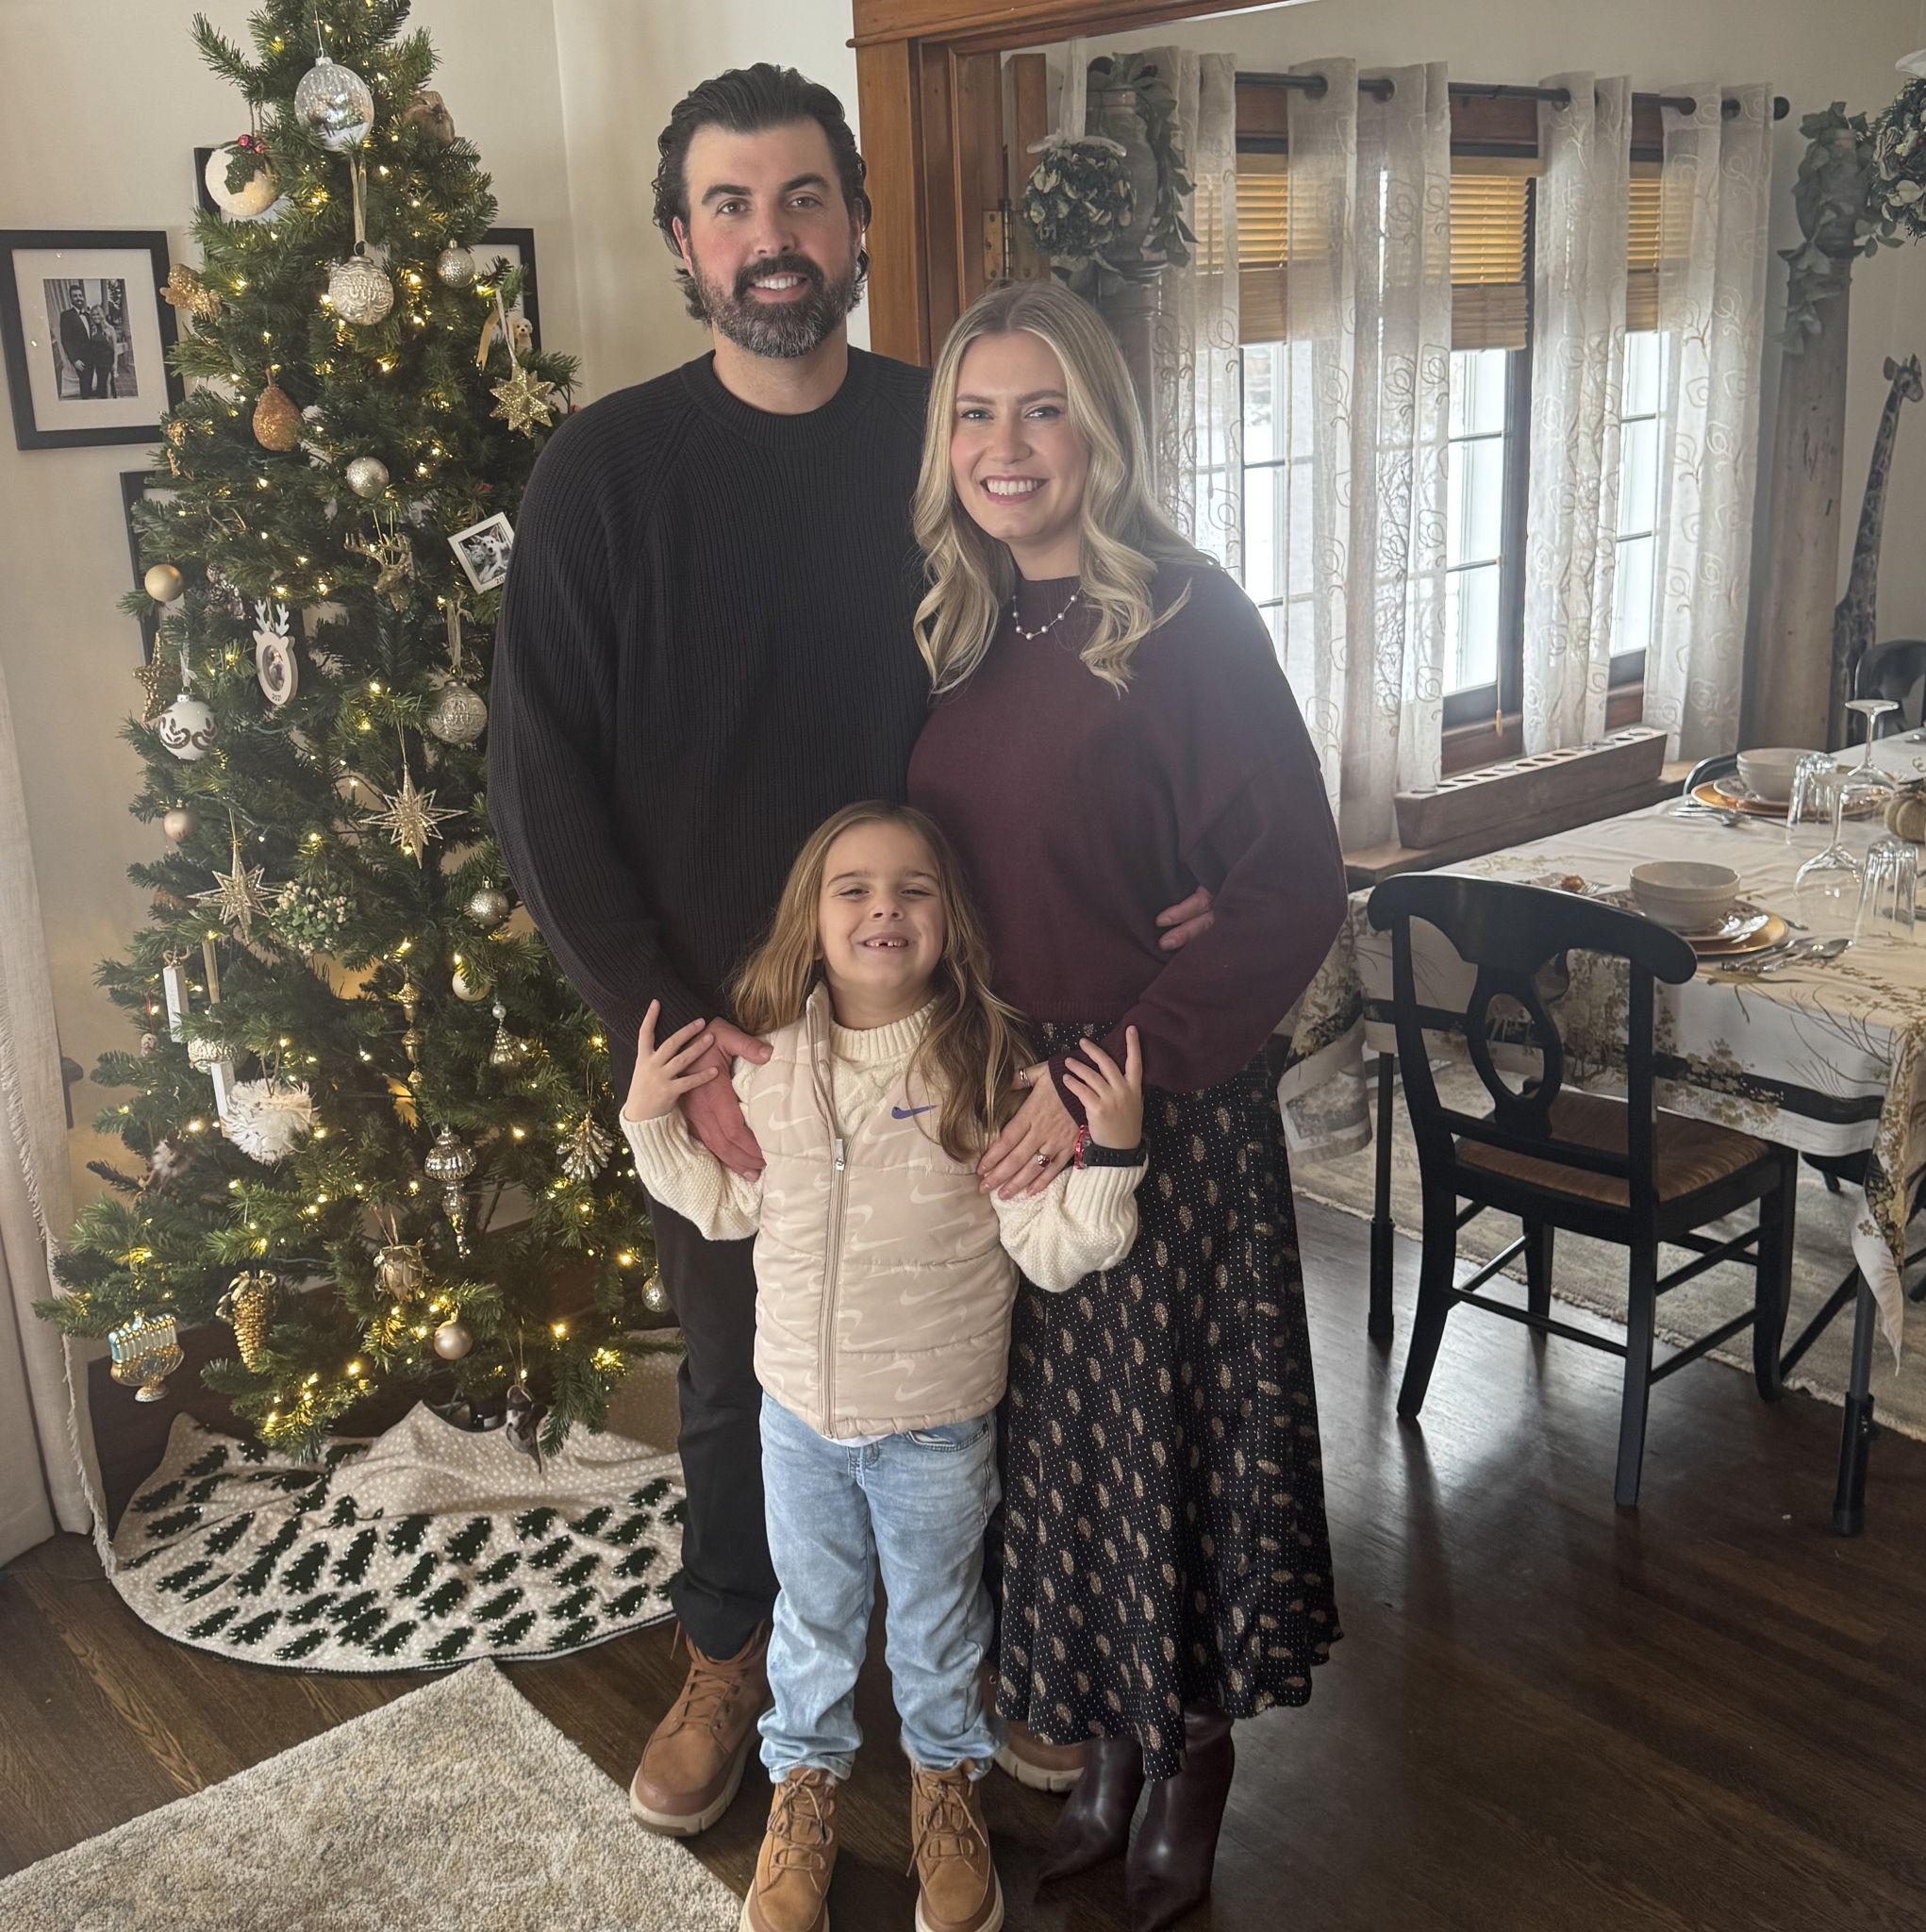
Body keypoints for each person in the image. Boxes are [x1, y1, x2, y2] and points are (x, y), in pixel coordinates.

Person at [489, 64, 1213, 1834]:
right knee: (739, 1368)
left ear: (858, 225)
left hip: (955, 1012)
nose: (772, 237)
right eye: (731, 206)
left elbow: (1091, 631)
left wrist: (1181, 848)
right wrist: (674, 1040)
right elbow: (540, 786)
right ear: (682, 243)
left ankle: (992, 1663)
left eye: (803, 198)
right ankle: (729, 1653)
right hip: (730, 1041)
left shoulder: (940, 435)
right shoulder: (600, 475)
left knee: (985, 1343)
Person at [905, 278, 1347, 1932]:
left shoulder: (1186, 616)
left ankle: (1191, 1763)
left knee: (1173, 1447)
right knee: (1056, 1456)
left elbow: (1291, 883)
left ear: (1099, 428)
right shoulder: (958, 626)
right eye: (975, 412)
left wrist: (1126, 1060)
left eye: (1042, 408)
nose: (1006, 445)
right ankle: (1101, 1742)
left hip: (1151, 1102)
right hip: (1002, 1092)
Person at [618, 801, 1148, 1932]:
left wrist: (1112, 1154)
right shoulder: (765, 1062)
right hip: (796, 1422)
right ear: (810, 921)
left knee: (937, 1626)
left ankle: (943, 1787)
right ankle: (802, 1789)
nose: (882, 908)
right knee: (811, 1621)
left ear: (949, 919)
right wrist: (649, 1118)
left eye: (913, 888)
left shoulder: (989, 1067)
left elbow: (1053, 1249)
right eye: (851, 888)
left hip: (937, 1428)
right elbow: (721, 1204)